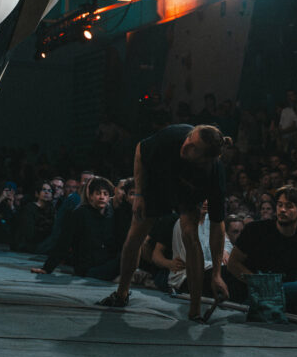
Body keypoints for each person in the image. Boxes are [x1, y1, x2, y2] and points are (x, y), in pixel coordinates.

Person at [98, 123, 229, 321]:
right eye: (189, 139)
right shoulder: (172, 137)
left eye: (194, 148)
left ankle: (195, 310)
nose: (186, 145)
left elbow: (218, 226)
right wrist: (139, 193)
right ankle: (121, 293)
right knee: (135, 234)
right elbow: (140, 150)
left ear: (205, 159)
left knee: (191, 236)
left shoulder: (214, 174)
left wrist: (217, 274)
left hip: (188, 193)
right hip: (158, 184)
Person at [227, 186, 297, 315]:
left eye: (289, 206)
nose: (282, 210)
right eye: (280, 205)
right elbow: (233, 263)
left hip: (281, 290)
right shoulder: (255, 229)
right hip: (253, 290)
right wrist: (260, 284)